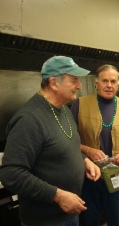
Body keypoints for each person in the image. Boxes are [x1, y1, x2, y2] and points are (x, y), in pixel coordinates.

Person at [0, 56, 101, 226]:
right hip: (45, 221)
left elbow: (65, 146)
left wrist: (84, 161)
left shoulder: (64, 110)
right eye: (74, 80)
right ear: (54, 83)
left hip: (70, 213)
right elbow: (11, 173)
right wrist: (58, 195)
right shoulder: (29, 119)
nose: (79, 86)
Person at [70, 64, 119, 226]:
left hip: (118, 175)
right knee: (89, 220)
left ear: (118, 84)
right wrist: (88, 150)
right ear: (96, 83)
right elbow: (68, 140)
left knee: (116, 220)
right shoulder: (80, 104)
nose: (109, 85)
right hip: (88, 177)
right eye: (104, 81)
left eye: (113, 81)